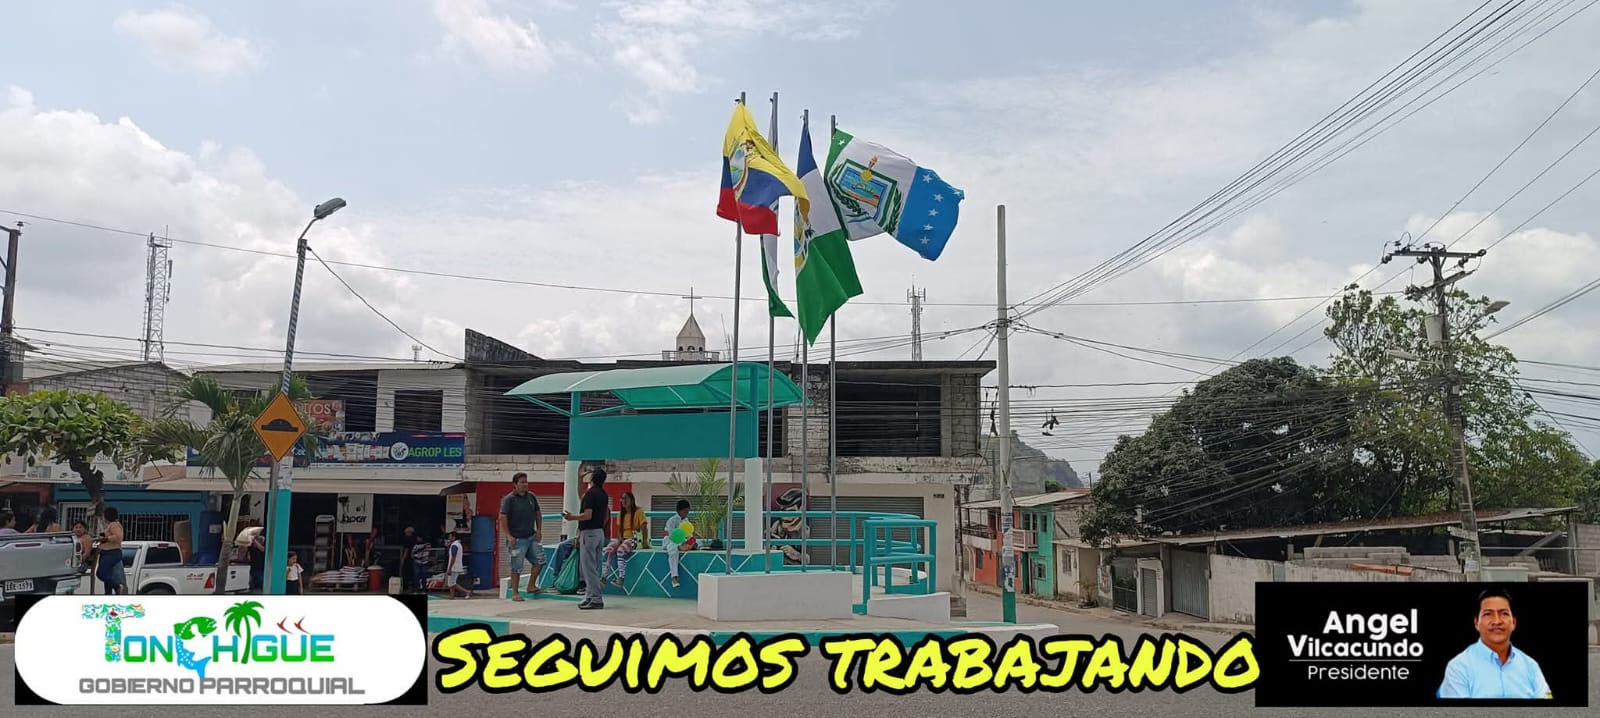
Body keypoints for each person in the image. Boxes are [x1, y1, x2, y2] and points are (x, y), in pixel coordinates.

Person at [1438, 587, 1553, 699]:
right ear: (1476, 623)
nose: (1497, 621)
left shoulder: (1531, 666)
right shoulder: (1458, 667)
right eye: (1488, 614)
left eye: (1504, 613)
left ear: (1514, 622)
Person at [562, 467, 609, 610]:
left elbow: (587, 514)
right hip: (599, 533)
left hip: (589, 533)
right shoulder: (603, 494)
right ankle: (589, 596)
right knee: (593, 567)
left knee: (588, 568)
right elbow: (582, 496)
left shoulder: (591, 494)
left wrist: (572, 517)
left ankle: (596, 599)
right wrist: (579, 479)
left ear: (592, 478)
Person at [498, 472, 543, 601]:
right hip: (517, 539)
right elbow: (503, 517)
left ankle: (531, 585)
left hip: (531, 536)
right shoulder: (509, 499)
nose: (525, 484)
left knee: (539, 561)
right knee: (516, 566)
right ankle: (515, 593)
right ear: (515, 484)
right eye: (522, 482)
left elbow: (538, 513)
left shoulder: (531, 497)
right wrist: (508, 536)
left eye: (526, 482)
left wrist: (539, 530)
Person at [603, 492, 647, 588]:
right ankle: (604, 577)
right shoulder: (621, 514)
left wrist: (644, 541)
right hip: (624, 539)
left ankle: (621, 578)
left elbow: (644, 527)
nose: (623, 501)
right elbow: (619, 529)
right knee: (608, 549)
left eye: (625, 498)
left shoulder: (639, 512)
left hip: (634, 539)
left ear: (631, 500)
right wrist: (619, 539)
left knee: (620, 550)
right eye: (622, 499)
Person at [96, 507, 126, 595]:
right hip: (105, 552)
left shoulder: (114, 525)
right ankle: (108, 593)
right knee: (107, 575)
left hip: (111, 552)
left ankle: (117, 586)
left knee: (101, 574)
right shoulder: (109, 526)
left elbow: (118, 536)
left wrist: (107, 539)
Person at [663, 499, 690, 588]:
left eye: (687, 512)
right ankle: (674, 577)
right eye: (685, 512)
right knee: (673, 549)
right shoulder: (671, 520)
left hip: (682, 541)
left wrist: (690, 542)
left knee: (697, 541)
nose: (686, 514)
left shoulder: (686, 521)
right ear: (679, 511)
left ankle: (684, 547)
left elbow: (689, 534)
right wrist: (680, 545)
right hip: (670, 541)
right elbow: (671, 536)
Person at [445, 530, 472, 599]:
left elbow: (453, 557)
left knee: (452, 583)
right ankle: (452, 596)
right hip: (456, 566)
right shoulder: (458, 544)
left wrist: (450, 568)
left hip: (454, 567)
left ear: (454, 537)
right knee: (451, 582)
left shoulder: (454, 545)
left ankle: (467, 591)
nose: (449, 538)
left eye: (450, 536)